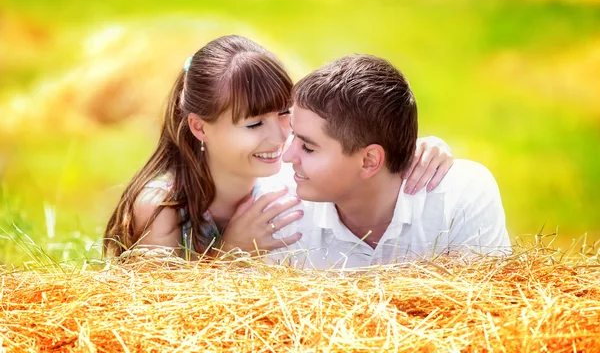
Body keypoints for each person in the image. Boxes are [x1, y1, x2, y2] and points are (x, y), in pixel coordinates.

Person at [103, 35, 453, 259]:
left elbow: (348, 152)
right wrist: (231, 254)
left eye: (284, 114)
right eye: (254, 124)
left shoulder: (288, 182)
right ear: (199, 127)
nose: (280, 138)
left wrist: (409, 147)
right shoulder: (162, 208)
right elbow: (159, 325)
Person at [269, 54, 511, 269]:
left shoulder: (461, 199)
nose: (288, 156)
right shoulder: (277, 209)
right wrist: (234, 246)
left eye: (309, 148)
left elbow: (490, 310)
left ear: (369, 161)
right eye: (293, 135)